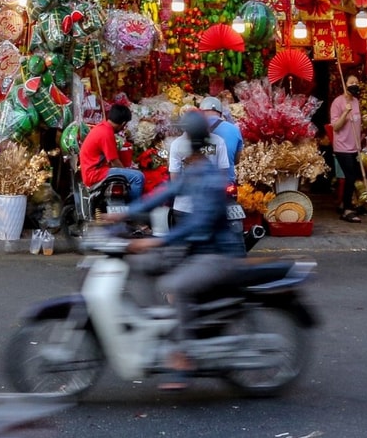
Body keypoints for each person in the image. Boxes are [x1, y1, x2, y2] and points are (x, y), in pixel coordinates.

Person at [110, 111, 244, 388]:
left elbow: (199, 223)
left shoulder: (208, 177)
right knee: (144, 264)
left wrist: (158, 240)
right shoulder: (195, 170)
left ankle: (184, 356)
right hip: (194, 248)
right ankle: (159, 328)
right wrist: (123, 214)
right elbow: (163, 194)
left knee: (177, 285)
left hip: (215, 254)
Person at [78, 103, 143, 202]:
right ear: (123, 123)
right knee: (138, 177)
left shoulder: (102, 127)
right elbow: (114, 162)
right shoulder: (106, 133)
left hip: (93, 171)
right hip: (95, 174)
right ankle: (133, 210)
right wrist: (125, 173)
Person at [329, 74, 365, 222]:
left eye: (356, 82)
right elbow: (335, 127)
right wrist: (345, 112)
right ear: (345, 85)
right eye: (351, 82)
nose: (354, 84)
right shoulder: (338, 102)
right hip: (342, 147)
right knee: (349, 177)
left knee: (353, 177)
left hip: (355, 146)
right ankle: (347, 210)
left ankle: (345, 203)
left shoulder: (356, 101)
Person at [197, 96, 243, 167]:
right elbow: (236, 161)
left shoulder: (195, 129)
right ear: (221, 114)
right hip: (227, 177)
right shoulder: (235, 130)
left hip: (202, 177)